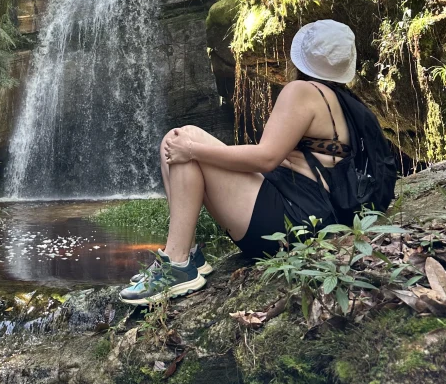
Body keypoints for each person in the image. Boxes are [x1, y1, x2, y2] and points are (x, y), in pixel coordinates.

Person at [120, 19, 385, 307]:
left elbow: (266, 158)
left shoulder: (302, 91)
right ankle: (186, 253)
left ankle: (178, 263)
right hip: (315, 217)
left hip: (290, 222)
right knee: (179, 142)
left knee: (182, 139)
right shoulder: (346, 102)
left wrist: (194, 150)